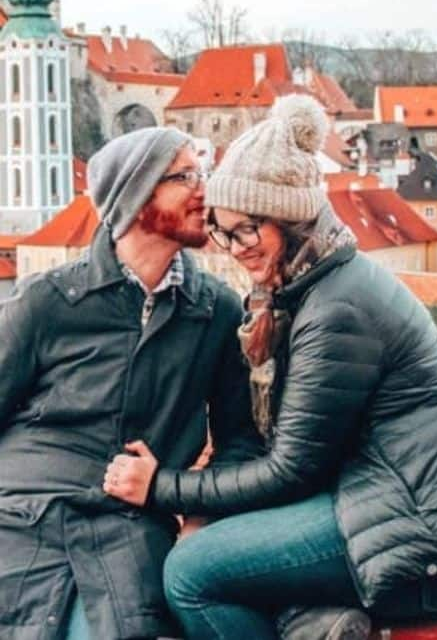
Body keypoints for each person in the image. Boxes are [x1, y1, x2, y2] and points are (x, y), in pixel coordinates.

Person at [102, 94, 437, 640]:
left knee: (191, 575)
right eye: (222, 229)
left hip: (431, 524)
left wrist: (163, 488)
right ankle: (317, 623)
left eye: (246, 230)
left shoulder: (334, 308)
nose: (234, 248)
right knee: (230, 544)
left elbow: (290, 469)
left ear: (291, 220)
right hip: (392, 488)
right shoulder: (308, 287)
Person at [0, 127, 256, 639]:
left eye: (201, 172)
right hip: (22, 516)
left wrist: (197, 517)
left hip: (129, 526)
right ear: (138, 200)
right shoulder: (47, 302)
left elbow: (240, 439)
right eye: (185, 176)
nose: (204, 189)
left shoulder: (215, 312)